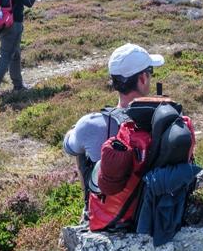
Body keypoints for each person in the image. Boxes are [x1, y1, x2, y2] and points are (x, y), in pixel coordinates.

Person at [62, 43, 165, 205]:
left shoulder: (90, 124)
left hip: (111, 214)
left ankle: (89, 207)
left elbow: (68, 146)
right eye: (150, 72)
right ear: (143, 78)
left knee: (80, 150)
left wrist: (75, 129)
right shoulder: (165, 118)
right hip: (154, 208)